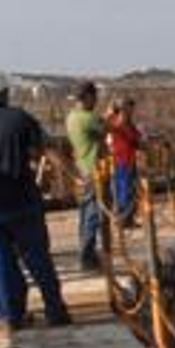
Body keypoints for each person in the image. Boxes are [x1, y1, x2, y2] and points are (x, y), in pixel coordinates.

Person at [0, 69, 70, 329]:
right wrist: (72, 178)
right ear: (5, 93)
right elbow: (47, 150)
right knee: (38, 258)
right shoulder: (20, 118)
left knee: (0, 260)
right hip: (21, 200)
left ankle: (12, 316)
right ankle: (55, 311)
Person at [65, 81, 106, 270]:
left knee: (84, 214)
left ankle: (86, 252)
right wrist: (112, 114)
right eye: (94, 96)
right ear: (88, 97)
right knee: (93, 215)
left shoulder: (71, 117)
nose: (96, 100)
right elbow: (109, 128)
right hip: (93, 170)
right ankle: (87, 256)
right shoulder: (87, 118)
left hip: (81, 168)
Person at [107, 97, 142, 227]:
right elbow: (132, 138)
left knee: (131, 191)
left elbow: (137, 137)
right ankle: (122, 219)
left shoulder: (129, 123)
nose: (132, 111)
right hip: (122, 161)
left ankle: (128, 219)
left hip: (130, 160)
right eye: (129, 108)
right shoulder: (117, 123)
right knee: (124, 191)